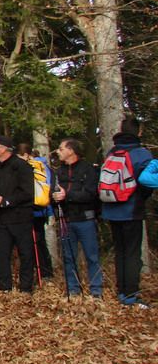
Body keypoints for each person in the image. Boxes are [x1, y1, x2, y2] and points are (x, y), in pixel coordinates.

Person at [101, 117, 153, 307]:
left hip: (111, 208)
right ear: (138, 132)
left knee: (121, 251)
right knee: (131, 252)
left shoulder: (112, 152)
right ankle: (131, 294)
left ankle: (122, 290)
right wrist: (140, 198)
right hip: (131, 209)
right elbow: (147, 183)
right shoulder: (141, 154)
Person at [52, 138, 102, 298]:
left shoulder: (88, 169)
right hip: (67, 220)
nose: (58, 152)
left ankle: (96, 290)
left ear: (71, 151)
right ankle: (73, 289)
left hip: (86, 219)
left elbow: (91, 194)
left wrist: (68, 195)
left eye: (61, 148)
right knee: (68, 257)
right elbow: (53, 193)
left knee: (92, 256)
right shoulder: (59, 172)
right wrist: (54, 197)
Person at [0, 135, 35, 293]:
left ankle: (26, 287)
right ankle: (5, 287)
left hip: (21, 216)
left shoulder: (22, 166)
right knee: (1, 253)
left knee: (25, 253)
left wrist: (6, 200)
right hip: (3, 218)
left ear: (2, 148)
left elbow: (28, 193)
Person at [16, 143, 55, 282]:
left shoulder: (35, 166)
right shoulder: (44, 167)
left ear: (26, 155)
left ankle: (44, 272)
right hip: (40, 209)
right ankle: (43, 272)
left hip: (36, 209)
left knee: (37, 242)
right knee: (37, 242)